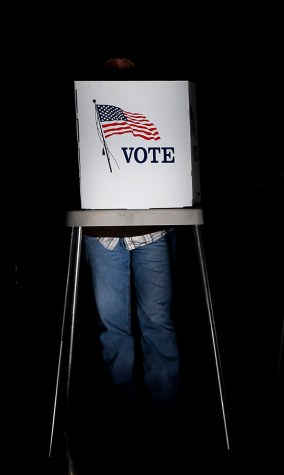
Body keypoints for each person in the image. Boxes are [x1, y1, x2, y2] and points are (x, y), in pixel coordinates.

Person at [82, 56, 180, 426]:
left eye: (128, 63)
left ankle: (165, 413)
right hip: (102, 229)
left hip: (152, 226)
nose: (120, 70)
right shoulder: (87, 103)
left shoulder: (157, 105)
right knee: (113, 326)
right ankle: (124, 415)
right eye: (112, 63)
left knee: (158, 321)